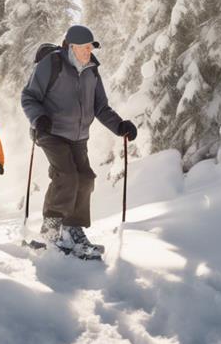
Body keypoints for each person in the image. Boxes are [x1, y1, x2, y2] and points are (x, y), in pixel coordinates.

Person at [20, 25, 137, 259]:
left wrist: (119, 126)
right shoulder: (52, 65)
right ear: (71, 46)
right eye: (84, 48)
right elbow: (29, 96)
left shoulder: (92, 71)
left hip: (78, 136)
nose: (88, 52)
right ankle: (51, 230)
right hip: (50, 132)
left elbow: (101, 107)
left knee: (85, 178)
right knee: (67, 176)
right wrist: (38, 118)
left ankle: (73, 228)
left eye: (91, 47)